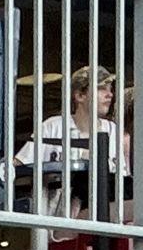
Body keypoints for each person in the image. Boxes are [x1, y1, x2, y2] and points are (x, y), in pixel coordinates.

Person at [16, 65, 132, 235]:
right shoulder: (52, 126)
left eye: (110, 89)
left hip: (103, 222)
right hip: (54, 224)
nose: (110, 94)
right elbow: (17, 166)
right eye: (101, 89)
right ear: (79, 95)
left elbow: (121, 180)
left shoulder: (113, 130)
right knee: (85, 179)